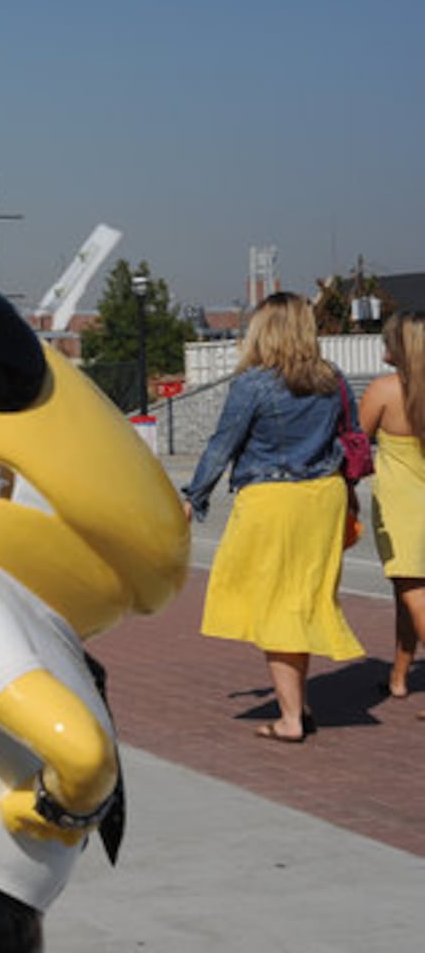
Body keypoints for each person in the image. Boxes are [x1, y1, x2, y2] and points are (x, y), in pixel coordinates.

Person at [182, 292, 364, 743]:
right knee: (298, 600)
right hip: (324, 497)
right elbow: (351, 437)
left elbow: (221, 445)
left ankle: (290, 720)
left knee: (274, 606)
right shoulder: (332, 378)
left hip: (272, 501)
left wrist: (193, 498)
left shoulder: (254, 384)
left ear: (265, 330)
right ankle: (297, 701)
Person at [359, 310, 425, 710]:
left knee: (414, 592)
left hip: (403, 511)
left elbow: (353, 445)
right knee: (405, 592)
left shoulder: (384, 391)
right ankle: (398, 676)